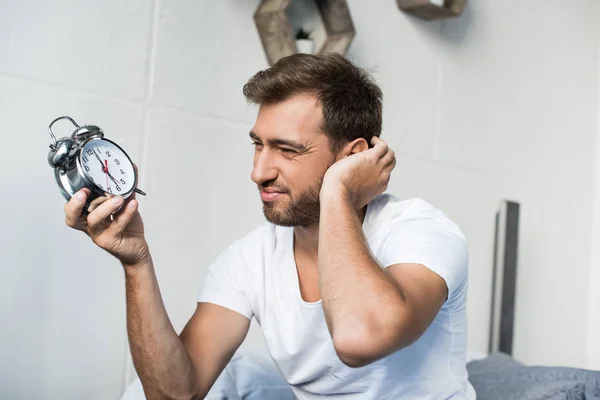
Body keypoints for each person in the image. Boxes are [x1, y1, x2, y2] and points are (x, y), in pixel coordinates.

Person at [64, 53, 474, 399]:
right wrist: (136, 261)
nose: (259, 172)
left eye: (287, 150)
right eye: (258, 144)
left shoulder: (420, 231)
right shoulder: (252, 256)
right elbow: (176, 393)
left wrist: (337, 192)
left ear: (353, 157)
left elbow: (357, 338)